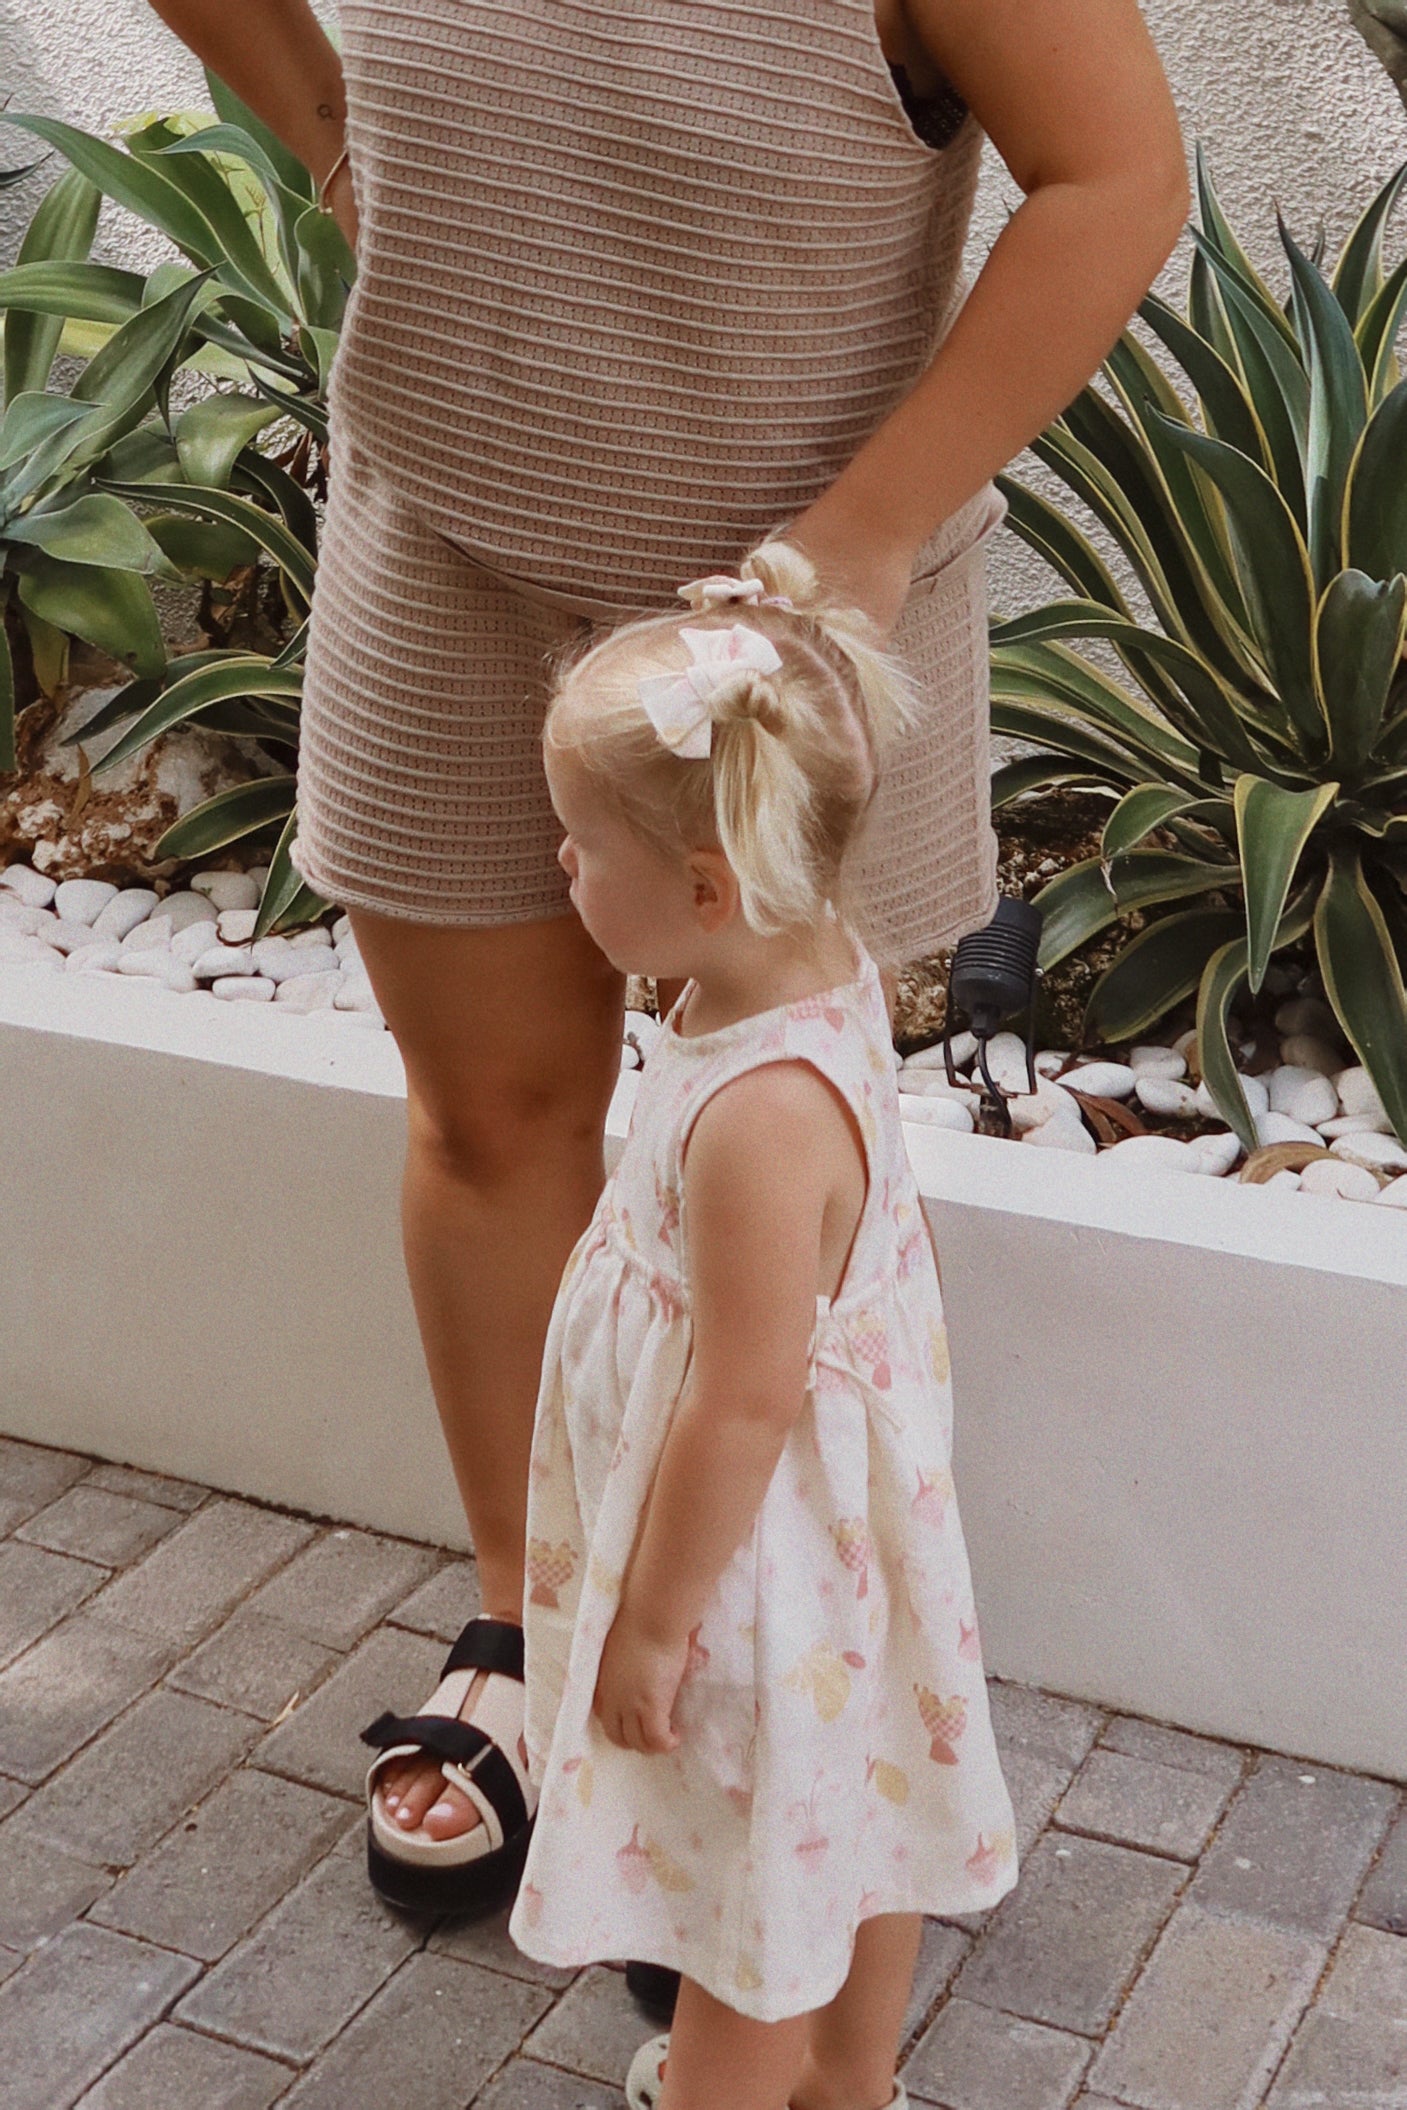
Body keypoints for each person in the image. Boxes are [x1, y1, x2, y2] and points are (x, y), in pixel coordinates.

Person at [144, 0, 1188, 1921]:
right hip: (444, 534)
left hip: (795, 634)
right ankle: (542, 1642)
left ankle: (800, 1701)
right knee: (494, 1117)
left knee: (787, 1191)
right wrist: (327, 126)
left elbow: (1118, 175)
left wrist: (862, 540)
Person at [494, 541, 1018, 2110]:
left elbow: (742, 1396)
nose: (565, 870)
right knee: (855, 1807)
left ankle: (745, 2081)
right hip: (836, 1546)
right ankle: (852, 2086)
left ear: (708, 887)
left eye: (582, 846)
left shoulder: (757, 1118)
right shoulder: (799, 977)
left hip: (747, 1565)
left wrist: (650, 1619)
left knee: (750, 1896)